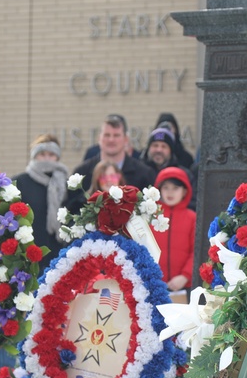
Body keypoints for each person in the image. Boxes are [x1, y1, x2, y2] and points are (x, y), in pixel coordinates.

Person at [71, 115, 155, 208]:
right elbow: (70, 212)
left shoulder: (144, 174)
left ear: (126, 139)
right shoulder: (82, 174)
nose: (111, 140)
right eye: (107, 135)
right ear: (99, 138)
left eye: (116, 135)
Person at [14, 134, 69, 271]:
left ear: (57, 157)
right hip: (30, 254)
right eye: (42, 154)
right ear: (34, 156)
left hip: (59, 254)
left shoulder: (66, 184)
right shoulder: (20, 183)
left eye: (51, 154)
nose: (46, 158)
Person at [151, 167, 196, 304]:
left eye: (175, 188)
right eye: (166, 188)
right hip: (153, 285)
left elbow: (196, 251)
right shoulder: (150, 217)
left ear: (184, 191)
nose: (170, 192)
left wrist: (185, 276)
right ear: (158, 190)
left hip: (183, 287)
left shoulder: (192, 218)